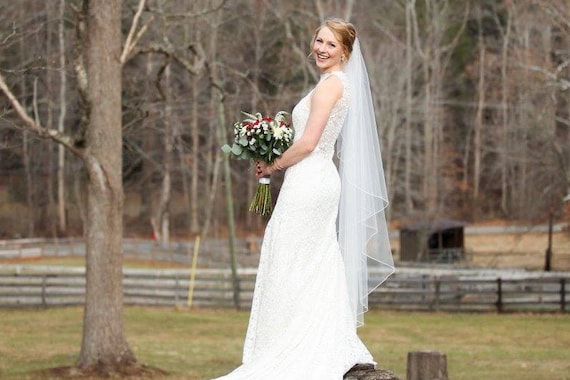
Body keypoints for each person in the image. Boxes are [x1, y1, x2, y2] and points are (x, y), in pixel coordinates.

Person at [213, 18, 395, 380]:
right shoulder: (332, 84)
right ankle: (294, 335)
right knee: (307, 258)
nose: (321, 49)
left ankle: (296, 343)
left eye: (330, 44)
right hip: (313, 178)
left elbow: (310, 142)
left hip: (311, 180)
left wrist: (273, 165)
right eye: (318, 41)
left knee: (293, 256)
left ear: (345, 51)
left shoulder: (331, 86)